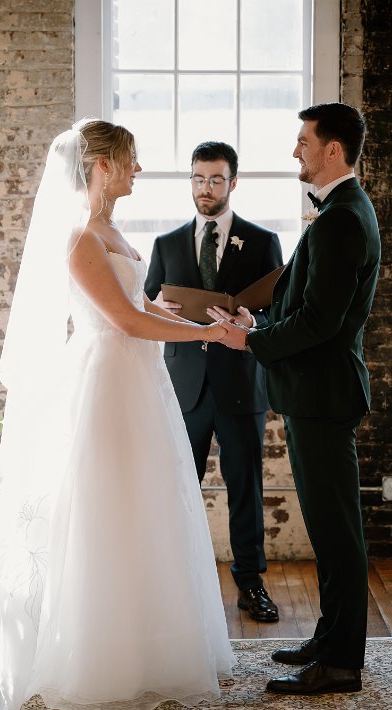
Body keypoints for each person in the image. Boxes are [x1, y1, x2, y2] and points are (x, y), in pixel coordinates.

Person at [0, 120, 236, 710]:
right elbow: (125, 322)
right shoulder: (80, 236)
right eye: (131, 159)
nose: (139, 169)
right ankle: (98, 652)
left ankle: (148, 644)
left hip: (138, 379)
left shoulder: (111, 230)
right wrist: (208, 334)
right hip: (106, 383)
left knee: (144, 505)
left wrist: (189, 321)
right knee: (105, 506)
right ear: (103, 165)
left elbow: (140, 306)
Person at [208, 102, 381, 695]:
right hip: (317, 393)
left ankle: (341, 663)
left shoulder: (342, 219)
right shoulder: (341, 211)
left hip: (323, 395)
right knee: (330, 529)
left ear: (333, 149)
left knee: (337, 533)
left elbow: (320, 322)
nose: (295, 150)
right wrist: (260, 320)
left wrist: (250, 340)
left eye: (303, 141)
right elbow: (308, 305)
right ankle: (329, 640)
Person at [145, 141, 283, 622]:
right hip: (184, 387)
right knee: (179, 488)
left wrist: (254, 321)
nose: (206, 188)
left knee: (245, 489)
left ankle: (251, 584)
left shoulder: (262, 241)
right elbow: (143, 310)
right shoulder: (165, 244)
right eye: (199, 178)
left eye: (216, 179)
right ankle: (175, 583)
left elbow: (279, 312)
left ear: (233, 182)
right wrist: (155, 308)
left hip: (241, 385)